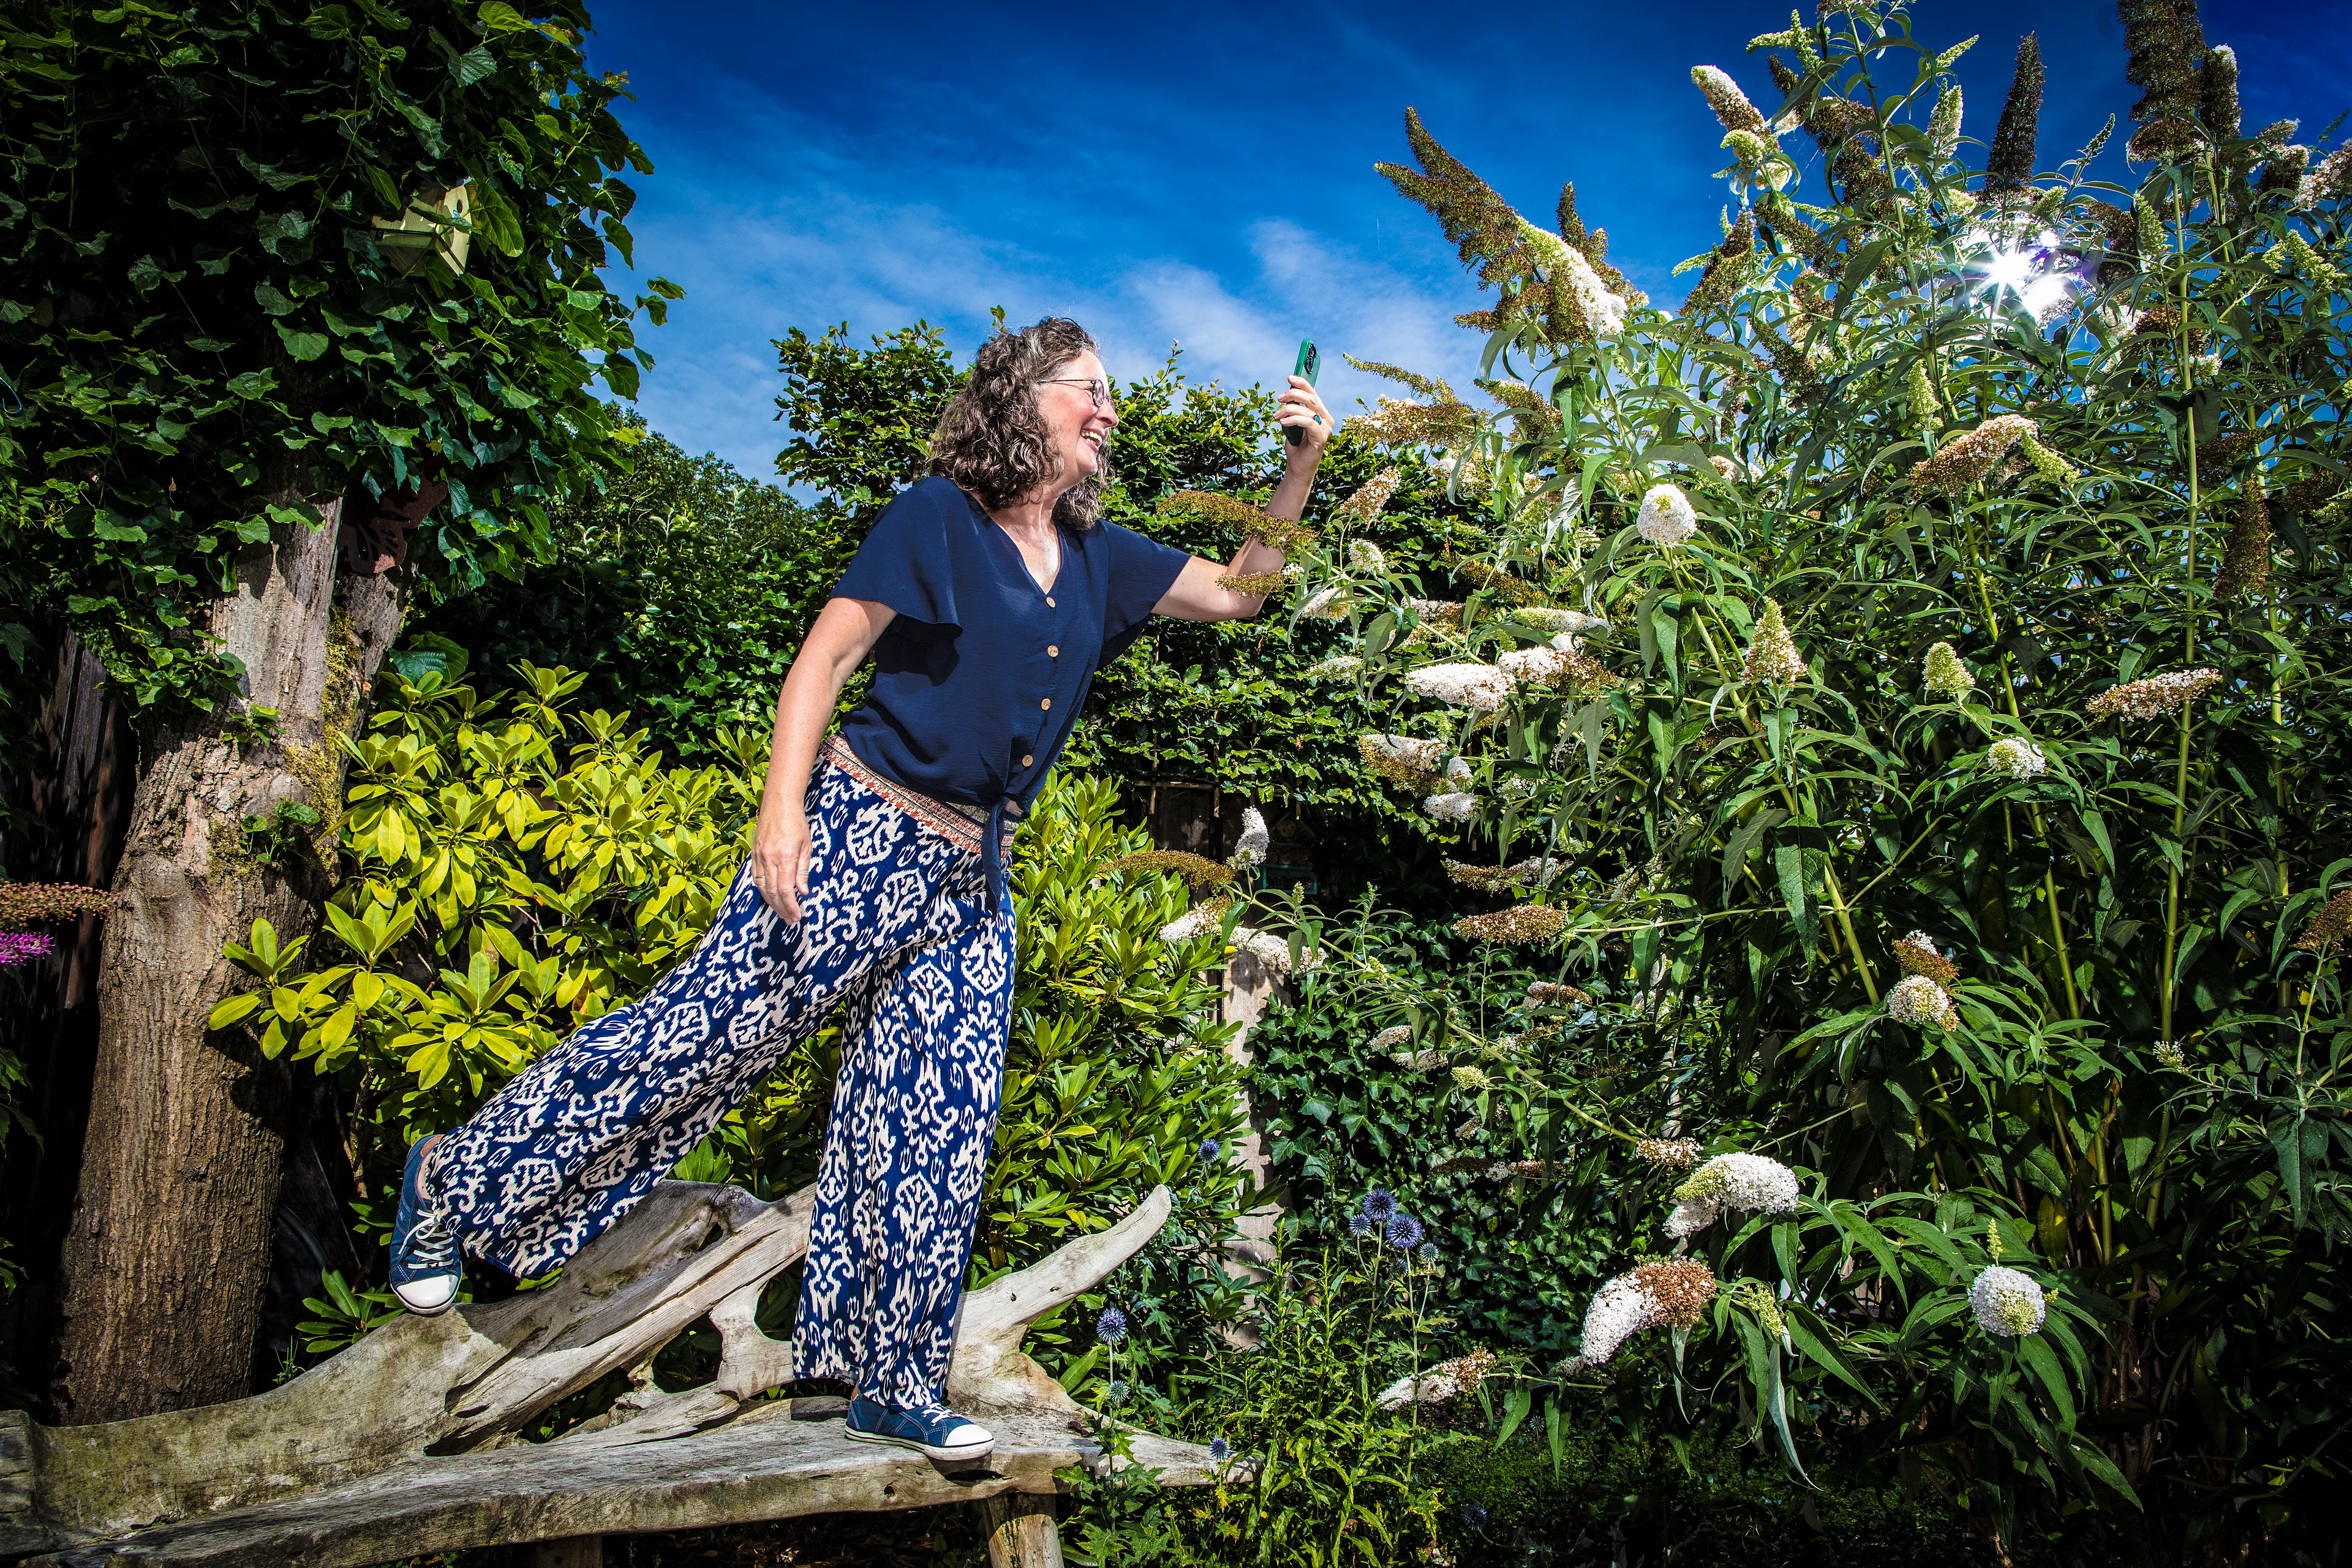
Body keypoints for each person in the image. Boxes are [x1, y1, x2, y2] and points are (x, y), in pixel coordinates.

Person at [384, 316, 1333, 1461]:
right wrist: (781, 811)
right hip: (861, 832)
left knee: (936, 1120)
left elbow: (1240, 592)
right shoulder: (939, 515)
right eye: (1090, 387)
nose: (1109, 407)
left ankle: (883, 1376)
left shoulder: (1100, 554)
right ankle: (457, 1180)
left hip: (975, 878)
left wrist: (1298, 467)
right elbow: (826, 658)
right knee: (708, 1035)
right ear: (1022, 397)